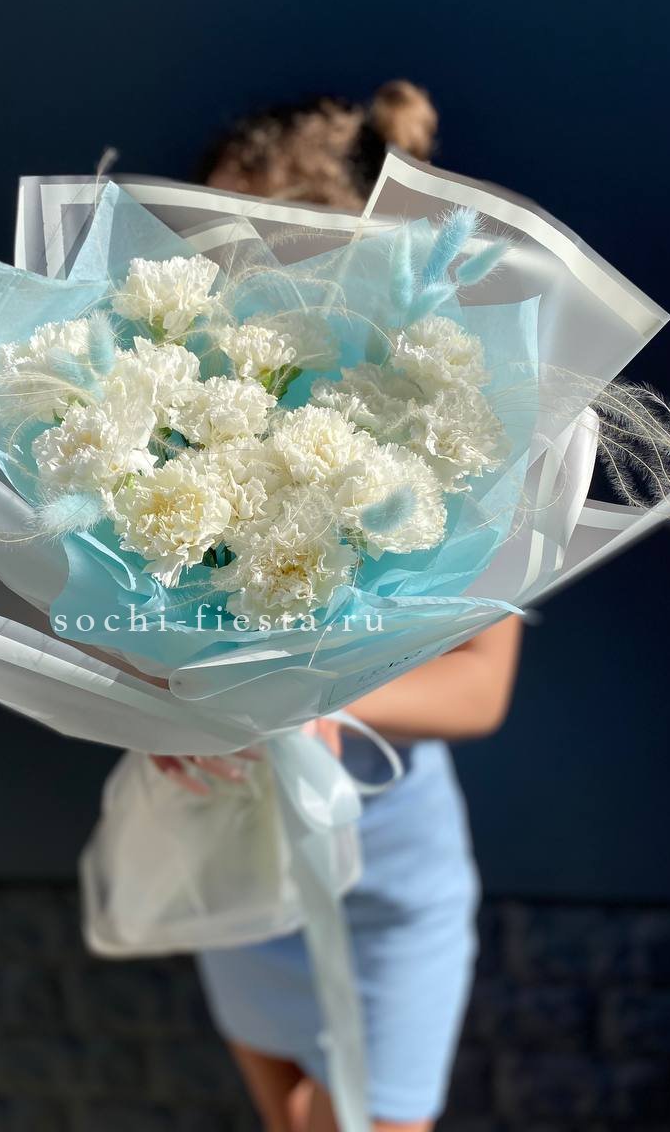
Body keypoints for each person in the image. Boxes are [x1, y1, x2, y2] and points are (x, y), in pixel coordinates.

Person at [152, 81, 523, 1132]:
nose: (216, 271)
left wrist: (319, 699)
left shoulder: (452, 433)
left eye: (247, 243)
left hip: (392, 874)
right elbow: (126, 619)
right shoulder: (171, 427)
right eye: (202, 238)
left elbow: (480, 689)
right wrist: (162, 704)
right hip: (237, 860)